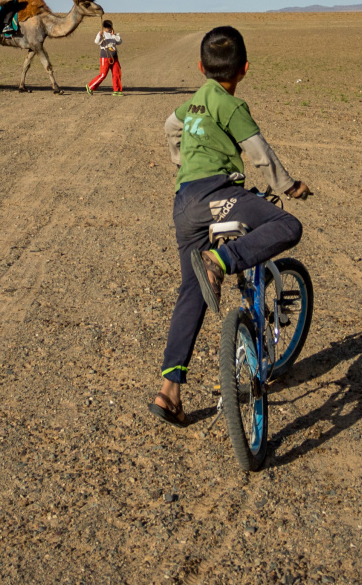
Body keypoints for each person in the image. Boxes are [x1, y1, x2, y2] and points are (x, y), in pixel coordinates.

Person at [149, 25, 311, 426]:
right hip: (218, 197)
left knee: (192, 291)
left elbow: (170, 127)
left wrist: (180, 161)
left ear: (200, 66)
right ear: (244, 70)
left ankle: (169, 390)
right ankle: (221, 262)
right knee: (288, 226)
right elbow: (259, 153)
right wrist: (289, 186)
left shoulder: (194, 102)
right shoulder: (230, 105)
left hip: (184, 202)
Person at [87, 19, 123, 94]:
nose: (108, 29)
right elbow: (96, 42)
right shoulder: (101, 33)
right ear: (104, 27)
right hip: (105, 57)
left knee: (117, 73)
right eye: (106, 27)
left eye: (109, 27)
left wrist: (114, 35)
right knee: (103, 74)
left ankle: (117, 90)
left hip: (114, 57)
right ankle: (90, 86)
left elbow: (119, 42)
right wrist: (100, 35)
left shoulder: (115, 34)